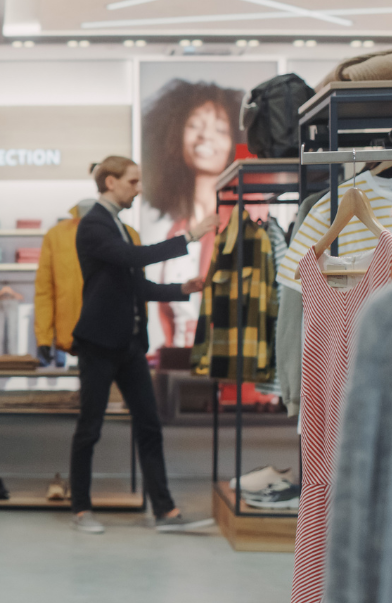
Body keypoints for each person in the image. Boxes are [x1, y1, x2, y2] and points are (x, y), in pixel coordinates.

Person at [68, 155, 218, 535]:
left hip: (130, 344)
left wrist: (180, 290)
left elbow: (135, 285)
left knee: (150, 425)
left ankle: (164, 511)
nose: (138, 189)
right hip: (99, 343)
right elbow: (133, 258)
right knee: (90, 428)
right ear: (110, 182)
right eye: (133, 182)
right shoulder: (93, 227)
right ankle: (81, 509)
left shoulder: (119, 227)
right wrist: (191, 236)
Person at [140, 80, 245, 347]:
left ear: (236, 140)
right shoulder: (176, 229)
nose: (205, 137)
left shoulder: (241, 221)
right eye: (194, 125)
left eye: (221, 129)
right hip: (178, 359)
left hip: (222, 359)